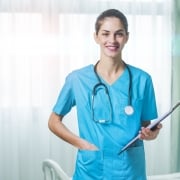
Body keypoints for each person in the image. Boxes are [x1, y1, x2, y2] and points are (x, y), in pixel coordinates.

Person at [48, 9, 162, 180]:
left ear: (127, 37)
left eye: (119, 34)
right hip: (91, 169)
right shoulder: (78, 79)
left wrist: (151, 134)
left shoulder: (143, 79)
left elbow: (146, 127)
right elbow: (53, 121)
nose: (112, 40)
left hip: (129, 170)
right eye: (106, 34)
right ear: (96, 37)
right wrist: (82, 144)